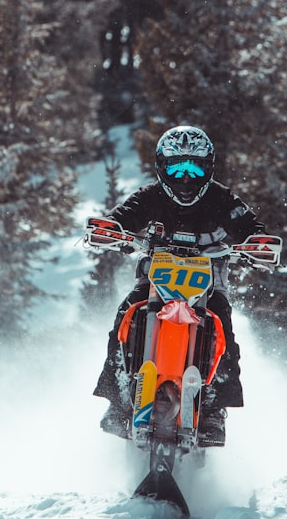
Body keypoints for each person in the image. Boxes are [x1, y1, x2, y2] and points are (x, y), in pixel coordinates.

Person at [93, 125, 267, 447]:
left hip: (209, 287)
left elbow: (249, 226)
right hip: (154, 283)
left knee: (223, 330)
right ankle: (118, 400)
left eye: (194, 167)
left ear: (208, 168)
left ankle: (214, 410)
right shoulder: (150, 197)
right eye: (176, 167)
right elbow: (124, 215)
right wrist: (112, 229)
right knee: (125, 316)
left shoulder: (222, 198)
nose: (185, 177)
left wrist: (256, 244)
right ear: (161, 167)